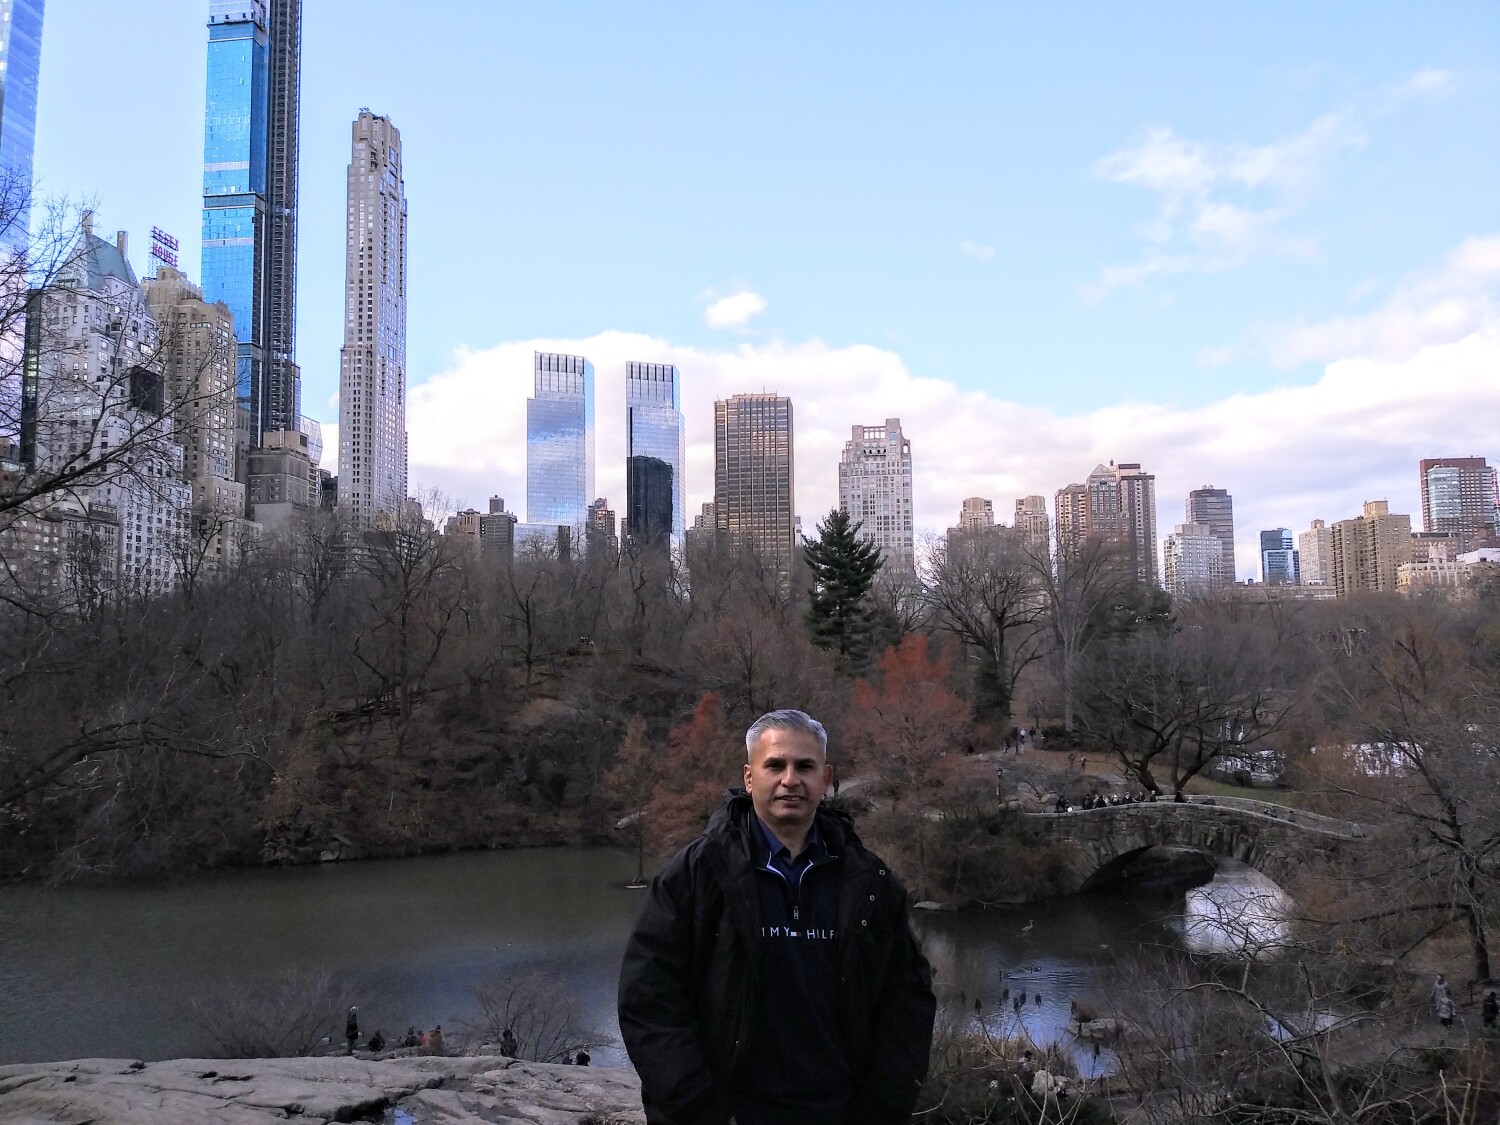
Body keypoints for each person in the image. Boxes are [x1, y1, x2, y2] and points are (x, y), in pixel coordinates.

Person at [618, 708, 936, 1125]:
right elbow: (649, 1001)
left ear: (826, 778)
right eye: (775, 765)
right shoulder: (697, 875)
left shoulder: (868, 881)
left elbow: (907, 1000)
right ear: (750, 778)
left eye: (805, 766)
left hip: (839, 1112)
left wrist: (882, 1108)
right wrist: (702, 1111)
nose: (791, 780)